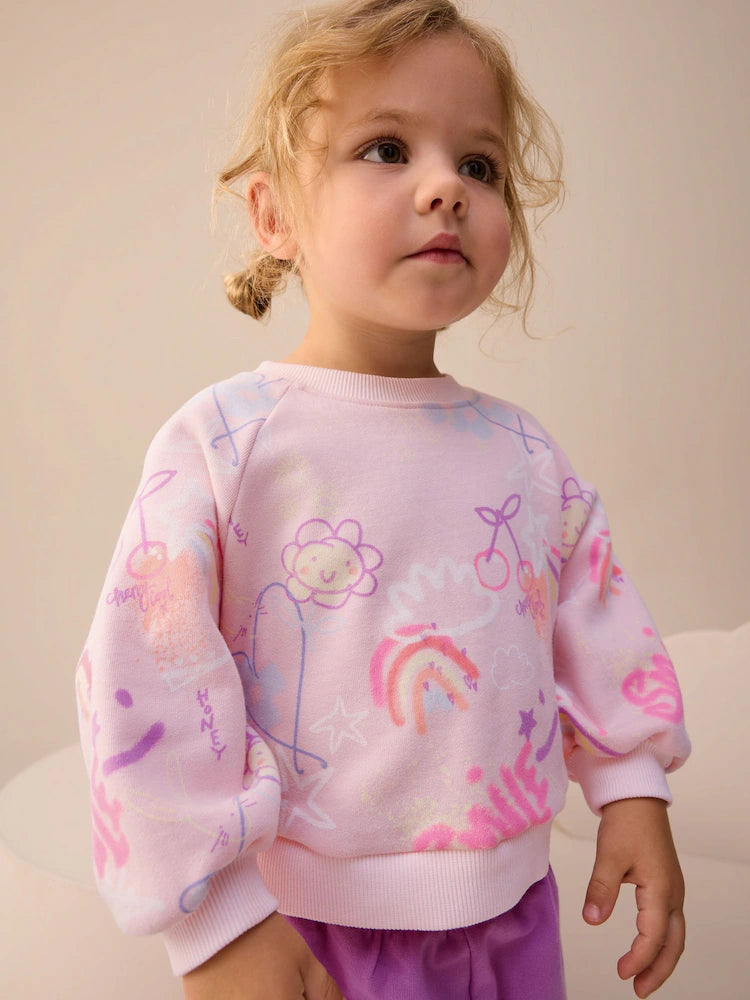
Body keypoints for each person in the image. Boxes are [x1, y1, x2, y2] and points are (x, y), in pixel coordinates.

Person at [75, 2, 691, 998]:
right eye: (387, 148)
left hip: (514, 919)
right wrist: (218, 918)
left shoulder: (525, 456)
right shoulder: (228, 443)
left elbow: (598, 625)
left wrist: (631, 787)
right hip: (304, 935)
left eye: (479, 165)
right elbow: (145, 679)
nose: (445, 188)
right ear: (273, 214)